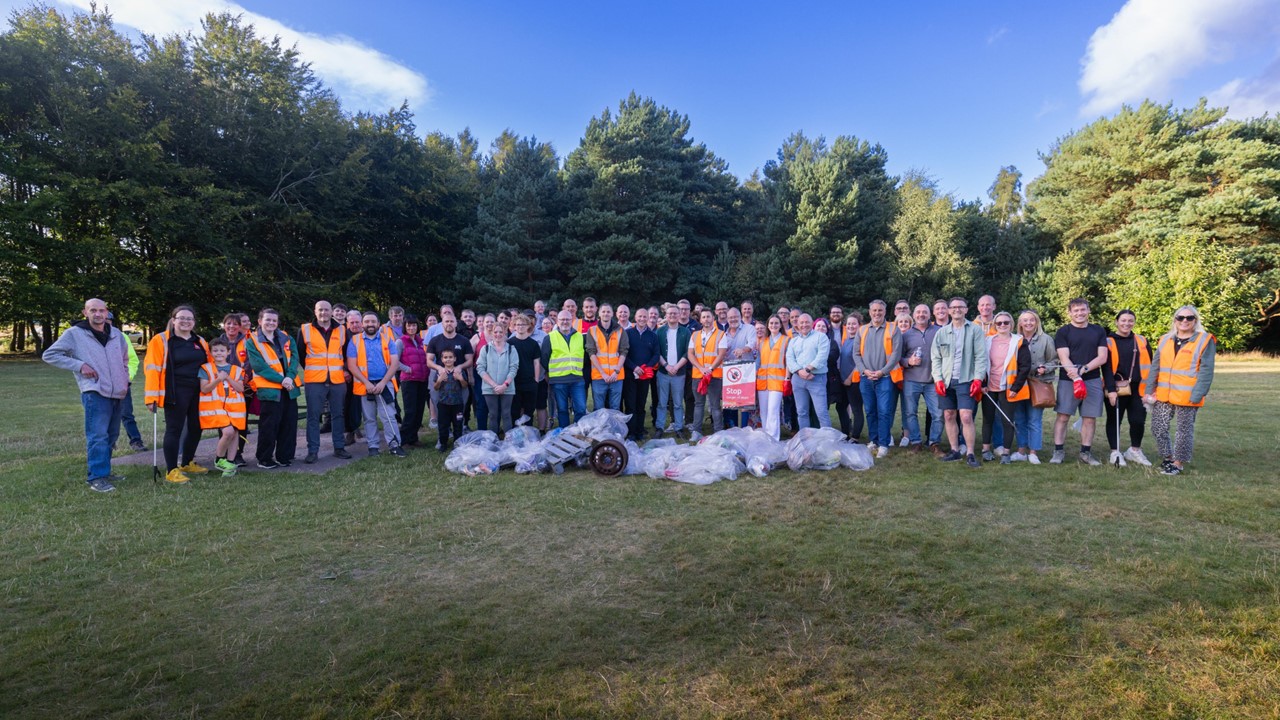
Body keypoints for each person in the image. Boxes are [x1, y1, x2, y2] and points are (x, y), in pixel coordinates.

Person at [43, 298, 132, 492]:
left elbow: (124, 359)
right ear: (85, 312)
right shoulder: (75, 334)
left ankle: (105, 472)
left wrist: (123, 378)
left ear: (107, 312)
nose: (98, 314)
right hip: (94, 391)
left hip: (117, 391)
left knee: (111, 435)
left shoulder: (116, 334)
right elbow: (50, 354)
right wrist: (79, 365)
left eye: (101, 310)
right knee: (97, 436)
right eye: (93, 310)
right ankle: (96, 477)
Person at [145, 305, 214, 482]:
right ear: (173, 320)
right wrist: (151, 397)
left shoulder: (200, 341)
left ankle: (187, 462)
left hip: (198, 391)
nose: (185, 321)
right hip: (175, 391)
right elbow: (152, 369)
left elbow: (209, 366)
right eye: (181, 318)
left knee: (197, 427)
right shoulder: (161, 340)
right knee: (174, 429)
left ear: (194, 322)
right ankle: (171, 470)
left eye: (189, 319)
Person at [1145, 306, 1216, 476]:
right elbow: (1156, 366)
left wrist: (1199, 393)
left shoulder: (1205, 340)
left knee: (1184, 431)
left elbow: (1207, 370)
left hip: (1188, 395)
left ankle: (1178, 463)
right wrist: (1149, 389)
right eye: (1180, 317)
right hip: (1163, 394)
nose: (1184, 321)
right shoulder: (1164, 340)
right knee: (1158, 428)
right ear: (1175, 320)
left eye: (1189, 318)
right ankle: (1168, 457)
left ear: (1195, 321)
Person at [930, 297, 987, 468]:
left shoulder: (975, 331)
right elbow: (936, 358)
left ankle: (970, 452)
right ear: (948, 310)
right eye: (953, 307)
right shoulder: (941, 333)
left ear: (966, 309)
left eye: (960, 307)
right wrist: (938, 379)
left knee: (966, 416)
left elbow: (981, 357)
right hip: (946, 380)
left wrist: (978, 378)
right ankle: (954, 450)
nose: (956, 310)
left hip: (966, 379)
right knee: (948, 414)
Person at [1051, 298, 1109, 466]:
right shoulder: (1064, 332)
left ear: (1088, 310)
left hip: (1092, 379)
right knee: (1063, 416)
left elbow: (1102, 357)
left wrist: (1082, 370)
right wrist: (1075, 376)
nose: (1079, 313)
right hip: (1068, 380)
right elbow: (1063, 356)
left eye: (1083, 310)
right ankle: (1058, 451)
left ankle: (1085, 453)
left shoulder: (1098, 331)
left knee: (1089, 418)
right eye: (1075, 311)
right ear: (1069, 312)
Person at [246, 307, 302, 469]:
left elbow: (294, 359)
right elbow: (259, 366)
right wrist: (281, 380)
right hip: (270, 390)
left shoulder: (286, 338)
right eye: (267, 320)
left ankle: (284, 456)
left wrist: (289, 377)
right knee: (269, 426)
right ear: (260, 321)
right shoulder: (252, 341)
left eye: (274, 320)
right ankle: (264, 458)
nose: (271, 323)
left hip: (289, 388)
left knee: (289, 424)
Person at [347, 311, 406, 457]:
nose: (370, 324)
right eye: (367, 322)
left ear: (378, 324)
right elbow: (352, 365)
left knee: (389, 416)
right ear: (362, 324)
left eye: (373, 321)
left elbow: (394, 363)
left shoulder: (387, 339)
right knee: (369, 418)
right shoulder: (354, 341)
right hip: (364, 385)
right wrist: (367, 383)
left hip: (385, 384)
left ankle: (394, 445)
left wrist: (383, 383)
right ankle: (373, 446)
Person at [299, 300, 351, 463]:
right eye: (320, 310)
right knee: (313, 416)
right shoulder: (305, 329)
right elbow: (301, 355)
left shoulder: (342, 330)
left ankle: (339, 447)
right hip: (315, 380)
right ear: (315, 312)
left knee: (338, 415)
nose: (323, 313)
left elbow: (345, 353)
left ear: (331, 312)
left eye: (326, 310)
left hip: (337, 380)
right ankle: (313, 451)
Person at [852, 300, 903, 458]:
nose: (877, 313)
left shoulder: (893, 329)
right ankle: (873, 440)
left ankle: (884, 443)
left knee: (884, 412)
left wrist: (882, 372)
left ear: (884, 311)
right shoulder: (862, 330)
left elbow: (896, 355)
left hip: (885, 378)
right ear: (870, 312)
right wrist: (864, 370)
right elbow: (856, 354)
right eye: (874, 310)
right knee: (870, 411)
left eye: (880, 310)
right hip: (866, 378)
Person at [1103, 310, 1154, 467]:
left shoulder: (1141, 340)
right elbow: (1105, 367)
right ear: (1116, 322)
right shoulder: (1108, 341)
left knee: (1138, 420)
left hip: (1139, 388)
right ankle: (1115, 452)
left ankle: (1134, 450)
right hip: (1116, 388)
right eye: (1123, 320)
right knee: (1114, 419)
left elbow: (1151, 364)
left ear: (1134, 322)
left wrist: (1151, 389)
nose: (1126, 324)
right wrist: (1110, 390)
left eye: (1130, 321)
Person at [1006, 310, 1056, 464]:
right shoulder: (1014, 339)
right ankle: (1021, 450)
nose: (1028, 323)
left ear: (1037, 322)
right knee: (1019, 419)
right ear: (1020, 323)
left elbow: (1054, 360)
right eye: (1025, 320)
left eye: (1031, 320)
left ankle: (1033, 452)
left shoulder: (1046, 339)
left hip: (1037, 383)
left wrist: (1045, 368)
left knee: (1034, 419)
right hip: (1019, 384)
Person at [197, 339, 247, 476]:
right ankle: (219, 458)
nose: (219, 353)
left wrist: (228, 378)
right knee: (228, 432)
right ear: (211, 353)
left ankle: (230, 464)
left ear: (228, 352)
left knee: (235, 433)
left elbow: (240, 388)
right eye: (215, 350)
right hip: (216, 406)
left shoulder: (236, 370)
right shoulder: (206, 368)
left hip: (234, 408)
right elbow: (205, 388)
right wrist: (218, 379)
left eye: (222, 350)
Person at [900, 304, 943, 455]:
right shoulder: (906, 335)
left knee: (938, 414)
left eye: (924, 312)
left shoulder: (939, 332)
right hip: (912, 380)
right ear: (913, 314)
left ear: (930, 314)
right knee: (910, 413)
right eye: (918, 312)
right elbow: (899, 357)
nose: (921, 314)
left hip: (933, 380)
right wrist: (908, 362)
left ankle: (934, 442)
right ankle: (916, 442)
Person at [426, 314, 474, 446]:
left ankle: (459, 436)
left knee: (461, 406)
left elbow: (469, 360)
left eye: (452, 321)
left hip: (459, 379)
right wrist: (438, 368)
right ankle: (443, 438)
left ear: (456, 323)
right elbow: (429, 361)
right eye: (446, 321)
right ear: (442, 323)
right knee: (440, 407)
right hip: (440, 378)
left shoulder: (463, 340)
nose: (449, 323)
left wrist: (460, 366)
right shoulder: (435, 340)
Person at [105, 312, 147, 452]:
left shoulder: (121, 337)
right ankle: (108, 444)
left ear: (112, 321)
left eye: (108, 319)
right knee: (104, 415)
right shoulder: (89, 337)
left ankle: (136, 441)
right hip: (101, 384)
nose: (105, 321)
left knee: (126, 413)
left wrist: (127, 378)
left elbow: (132, 359)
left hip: (121, 383)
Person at [980, 311, 1017, 464]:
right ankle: (985, 450)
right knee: (987, 420)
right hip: (989, 388)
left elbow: (1024, 365)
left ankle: (1006, 453)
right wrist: (982, 383)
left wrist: (1016, 386)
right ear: (995, 325)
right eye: (999, 323)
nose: (1002, 325)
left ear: (1011, 324)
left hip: (1008, 387)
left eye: (1005, 323)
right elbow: (981, 362)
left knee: (1007, 421)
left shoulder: (1018, 341)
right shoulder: (987, 340)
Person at [542, 310, 588, 428]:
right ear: (557, 321)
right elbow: (544, 359)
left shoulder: (580, 337)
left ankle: (578, 433)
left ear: (572, 320)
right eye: (562, 319)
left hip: (577, 379)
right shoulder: (550, 338)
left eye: (567, 319)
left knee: (581, 408)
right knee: (562, 410)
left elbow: (585, 357)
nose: (565, 322)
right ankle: (565, 434)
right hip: (558, 380)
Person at [786, 313, 831, 429]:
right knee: (801, 412)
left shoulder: (821, 337)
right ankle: (805, 440)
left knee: (821, 412)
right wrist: (799, 371)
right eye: (801, 322)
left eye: (807, 322)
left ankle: (829, 441)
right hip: (798, 379)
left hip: (816, 378)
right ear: (798, 325)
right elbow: (789, 359)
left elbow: (822, 356)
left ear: (812, 323)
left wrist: (807, 369)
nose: (804, 325)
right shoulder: (793, 341)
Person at [688, 308, 728, 434]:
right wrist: (701, 368)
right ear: (700, 320)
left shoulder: (721, 334)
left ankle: (718, 432)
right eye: (703, 317)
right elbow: (690, 354)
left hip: (714, 375)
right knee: (698, 404)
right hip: (698, 375)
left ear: (713, 319)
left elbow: (721, 354)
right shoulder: (694, 335)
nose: (706, 319)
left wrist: (710, 369)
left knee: (715, 406)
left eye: (708, 316)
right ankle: (696, 432)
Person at [476, 323, 519, 436]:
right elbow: (480, 368)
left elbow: (513, 368)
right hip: (489, 388)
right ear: (491, 333)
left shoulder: (511, 349)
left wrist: (505, 385)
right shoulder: (485, 349)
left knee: (506, 414)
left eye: (501, 332)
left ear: (505, 333)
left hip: (507, 388)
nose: (498, 334)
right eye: (495, 332)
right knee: (493, 414)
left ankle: (508, 441)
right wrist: (494, 385)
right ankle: (493, 440)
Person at [655, 304, 691, 437]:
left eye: (675, 313)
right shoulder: (660, 331)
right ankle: (659, 427)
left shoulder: (685, 332)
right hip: (663, 372)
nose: (672, 315)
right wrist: (666, 366)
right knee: (662, 402)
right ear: (666, 315)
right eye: (670, 313)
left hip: (679, 373)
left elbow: (688, 352)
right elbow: (656, 351)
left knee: (677, 403)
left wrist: (676, 367)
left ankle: (679, 428)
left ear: (679, 314)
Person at [585, 303, 629, 411]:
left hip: (616, 376)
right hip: (599, 376)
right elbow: (591, 353)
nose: (606, 314)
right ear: (599, 313)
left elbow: (624, 352)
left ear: (612, 314)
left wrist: (616, 372)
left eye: (608, 312)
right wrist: (603, 373)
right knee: (599, 408)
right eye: (603, 311)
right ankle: (600, 428)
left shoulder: (620, 330)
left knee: (615, 408)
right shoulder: (592, 331)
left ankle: (614, 428)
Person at [624, 307, 659, 441]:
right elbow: (623, 354)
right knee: (630, 404)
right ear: (635, 317)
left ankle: (639, 431)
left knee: (641, 404)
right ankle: (631, 432)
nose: (642, 319)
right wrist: (634, 367)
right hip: (631, 374)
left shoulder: (652, 336)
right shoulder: (628, 333)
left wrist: (647, 367)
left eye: (645, 317)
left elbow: (656, 354)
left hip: (645, 375)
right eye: (640, 316)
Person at [721, 307, 757, 428]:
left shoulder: (749, 328)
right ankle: (733, 429)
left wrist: (743, 350)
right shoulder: (724, 334)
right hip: (730, 372)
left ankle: (744, 430)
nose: (733, 319)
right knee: (731, 402)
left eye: (735, 317)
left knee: (745, 403)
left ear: (740, 317)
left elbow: (752, 344)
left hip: (746, 370)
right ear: (727, 319)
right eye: (730, 317)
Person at [398, 315, 430, 446]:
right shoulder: (400, 342)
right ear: (405, 327)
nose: (412, 328)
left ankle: (413, 438)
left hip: (422, 380)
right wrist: (407, 369)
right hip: (409, 380)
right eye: (409, 325)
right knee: (410, 411)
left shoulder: (421, 341)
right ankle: (403, 439)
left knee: (419, 411)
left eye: (414, 325)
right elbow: (394, 361)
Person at [755, 315, 789, 440]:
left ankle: (773, 439)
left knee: (773, 411)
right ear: (767, 326)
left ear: (780, 325)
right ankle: (766, 437)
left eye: (776, 323)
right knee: (763, 412)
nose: (773, 326)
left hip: (777, 381)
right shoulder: (762, 342)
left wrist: (787, 378)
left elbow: (788, 362)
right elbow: (758, 363)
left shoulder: (786, 340)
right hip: (763, 382)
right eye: (771, 323)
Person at [507, 314, 543, 428]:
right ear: (514, 326)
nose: (520, 327)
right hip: (514, 382)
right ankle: (515, 435)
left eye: (523, 324)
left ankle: (529, 435)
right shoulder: (509, 343)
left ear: (528, 326)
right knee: (514, 411)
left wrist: (536, 380)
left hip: (530, 382)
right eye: (518, 324)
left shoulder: (533, 344)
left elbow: (536, 362)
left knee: (529, 411)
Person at [836, 313, 867, 442]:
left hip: (854, 381)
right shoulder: (847, 340)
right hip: (843, 381)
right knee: (841, 407)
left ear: (859, 325)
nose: (851, 326)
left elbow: (860, 361)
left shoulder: (860, 340)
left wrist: (849, 378)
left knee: (856, 409)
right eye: (848, 323)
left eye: (854, 323)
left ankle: (855, 436)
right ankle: (845, 433)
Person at [433, 349, 468, 452]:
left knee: (458, 424)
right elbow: (435, 387)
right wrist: (439, 380)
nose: (448, 360)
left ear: (455, 359)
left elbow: (465, 386)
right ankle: (443, 443)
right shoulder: (440, 372)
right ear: (442, 360)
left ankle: (457, 444)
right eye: (445, 357)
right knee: (443, 425)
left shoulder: (459, 372)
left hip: (457, 404)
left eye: (450, 357)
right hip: (443, 403)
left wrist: (460, 379)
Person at [342, 308, 364, 445]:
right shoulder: (343, 337)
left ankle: (357, 426)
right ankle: (349, 432)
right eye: (352, 322)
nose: (355, 325)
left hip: (365, 376)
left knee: (362, 405)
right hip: (348, 377)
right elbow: (338, 355)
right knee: (349, 404)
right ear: (347, 323)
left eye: (357, 322)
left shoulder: (367, 335)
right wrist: (344, 370)